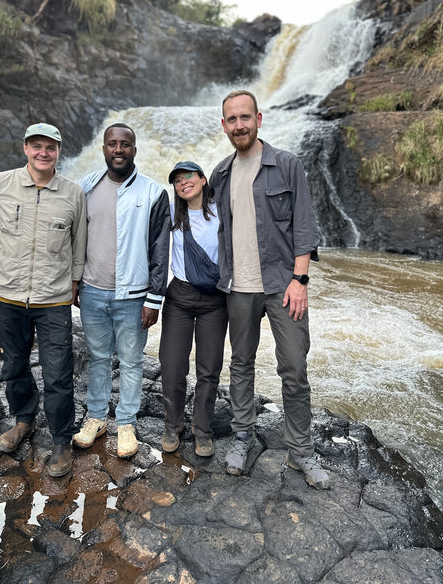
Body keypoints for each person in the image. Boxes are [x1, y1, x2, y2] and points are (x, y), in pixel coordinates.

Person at [0, 122, 87, 478]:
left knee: (58, 374)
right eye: (37, 146)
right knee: (14, 365)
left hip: (54, 300)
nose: (44, 153)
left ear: (59, 152)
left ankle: (61, 441)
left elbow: (80, 244)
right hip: (8, 296)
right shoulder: (1, 183)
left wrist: (74, 283)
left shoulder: (73, 193)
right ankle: (23, 420)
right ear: (25, 148)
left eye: (51, 147)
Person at [209, 90, 331, 489]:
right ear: (224, 125)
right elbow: (209, 228)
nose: (239, 125)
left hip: (283, 286)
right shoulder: (221, 174)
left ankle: (301, 452)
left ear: (258, 119)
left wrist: (300, 281)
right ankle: (243, 437)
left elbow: (305, 226)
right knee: (241, 364)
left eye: (245, 117)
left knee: (294, 369)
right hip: (238, 288)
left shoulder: (287, 165)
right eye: (232, 119)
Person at [73, 123, 170, 458]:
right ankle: (97, 418)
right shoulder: (84, 188)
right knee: (97, 358)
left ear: (134, 150)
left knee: (131, 361)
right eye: (112, 144)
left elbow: (161, 249)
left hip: (133, 295)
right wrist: (74, 282)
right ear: (103, 149)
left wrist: (154, 299)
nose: (118, 150)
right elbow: (74, 240)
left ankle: (126, 423)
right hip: (92, 291)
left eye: (125, 144)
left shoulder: (154, 193)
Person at [159, 161, 228, 457]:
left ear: (202, 179)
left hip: (216, 300)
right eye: (177, 180)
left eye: (188, 176)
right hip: (180, 297)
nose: (183, 182)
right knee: (173, 365)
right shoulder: (171, 217)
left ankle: (203, 430)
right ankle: (172, 425)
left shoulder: (223, 212)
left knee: (209, 368)